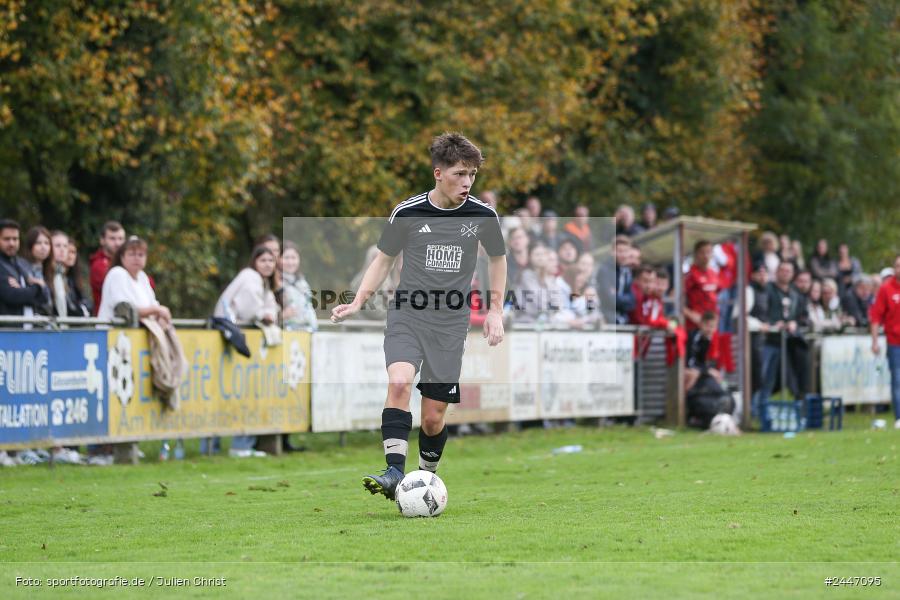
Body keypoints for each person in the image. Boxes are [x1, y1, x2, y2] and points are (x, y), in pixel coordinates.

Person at [330, 132, 506, 501]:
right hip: (407, 316)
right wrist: (358, 301)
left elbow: (497, 259)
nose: (467, 182)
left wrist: (494, 311)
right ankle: (394, 472)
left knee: (432, 418)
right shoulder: (407, 213)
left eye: (472, 174)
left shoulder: (482, 216)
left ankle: (425, 480)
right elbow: (383, 260)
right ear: (438, 173)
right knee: (398, 383)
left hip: (450, 325)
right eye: (460, 173)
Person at [213, 245, 281, 457]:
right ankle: (237, 445)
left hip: (240, 339)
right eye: (263, 260)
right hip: (233, 337)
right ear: (254, 262)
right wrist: (264, 314)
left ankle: (238, 444)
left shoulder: (265, 284)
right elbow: (248, 310)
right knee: (232, 393)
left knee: (243, 393)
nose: (268, 265)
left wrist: (268, 313)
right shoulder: (250, 277)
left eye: (271, 261)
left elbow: (272, 308)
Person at [759, 261, 809, 407]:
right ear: (777, 272)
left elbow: (802, 316)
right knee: (765, 377)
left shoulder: (795, 293)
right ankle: (759, 409)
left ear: (793, 274)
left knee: (792, 377)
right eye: (783, 270)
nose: (786, 273)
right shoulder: (767, 289)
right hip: (769, 341)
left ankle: (798, 406)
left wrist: (794, 323)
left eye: (789, 271)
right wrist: (774, 323)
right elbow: (761, 310)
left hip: (789, 343)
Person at [97, 236, 171, 325]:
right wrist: (156, 310)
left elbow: (153, 305)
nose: (136, 258)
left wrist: (159, 314)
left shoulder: (142, 277)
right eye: (131, 254)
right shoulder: (117, 273)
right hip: (111, 334)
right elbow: (126, 311)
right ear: (122, 257)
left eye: (140, 255)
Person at [870, 254, 900, 429]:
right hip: (895, 342)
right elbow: (876, 317)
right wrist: (874, 341)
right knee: (897, 380)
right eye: (897, 266)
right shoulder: (886, 289)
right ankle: (899, 418)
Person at [0, 219, 50, 318]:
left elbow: (44, 297)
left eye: (15, 239)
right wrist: (37, 287)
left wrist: (24, 291)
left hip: (28, 328)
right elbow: (12, 296)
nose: (12, 243)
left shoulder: (22, 264)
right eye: (6, 239)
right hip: (7, 330)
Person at [595, 235, 636, 325]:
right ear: (612, 252)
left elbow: (632, 302)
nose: (624, 255)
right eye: (620, 251)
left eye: (626, 251)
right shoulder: (604, 270)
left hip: (623, 320)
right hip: (607, 320)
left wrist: (617, 296)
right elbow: (609, 299)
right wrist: (623, 299)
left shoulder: (627, 271)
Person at [90, 221, 126, 316]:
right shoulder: (98, 265)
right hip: (107, 322)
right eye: (112, 239)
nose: (117, 243)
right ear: (102, 240)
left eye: (120, 239)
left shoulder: (126, 263)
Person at [280, 242, 317, 332]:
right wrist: (281, 316)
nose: (290, 262)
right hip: (285, 333)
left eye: (293, 258)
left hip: (307, 332)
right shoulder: (275, 282)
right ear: (278, 259)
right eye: (286, 258)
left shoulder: (302, 282)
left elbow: (309, 307)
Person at [683, 240, 719, 331]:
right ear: (696, 254)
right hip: (695, 326)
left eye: (708, 252)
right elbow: (674, 297)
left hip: (711, 326)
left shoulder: (714, 274)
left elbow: (715, 299)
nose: (706, 256)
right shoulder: (690, 275)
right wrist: (691, 314)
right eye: (702, 252)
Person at [22, 226, 54, 314]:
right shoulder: (22, 268)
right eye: (38, 243)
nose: (43, 247)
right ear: (30, 245)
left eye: (47, 243)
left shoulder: (48, 270)